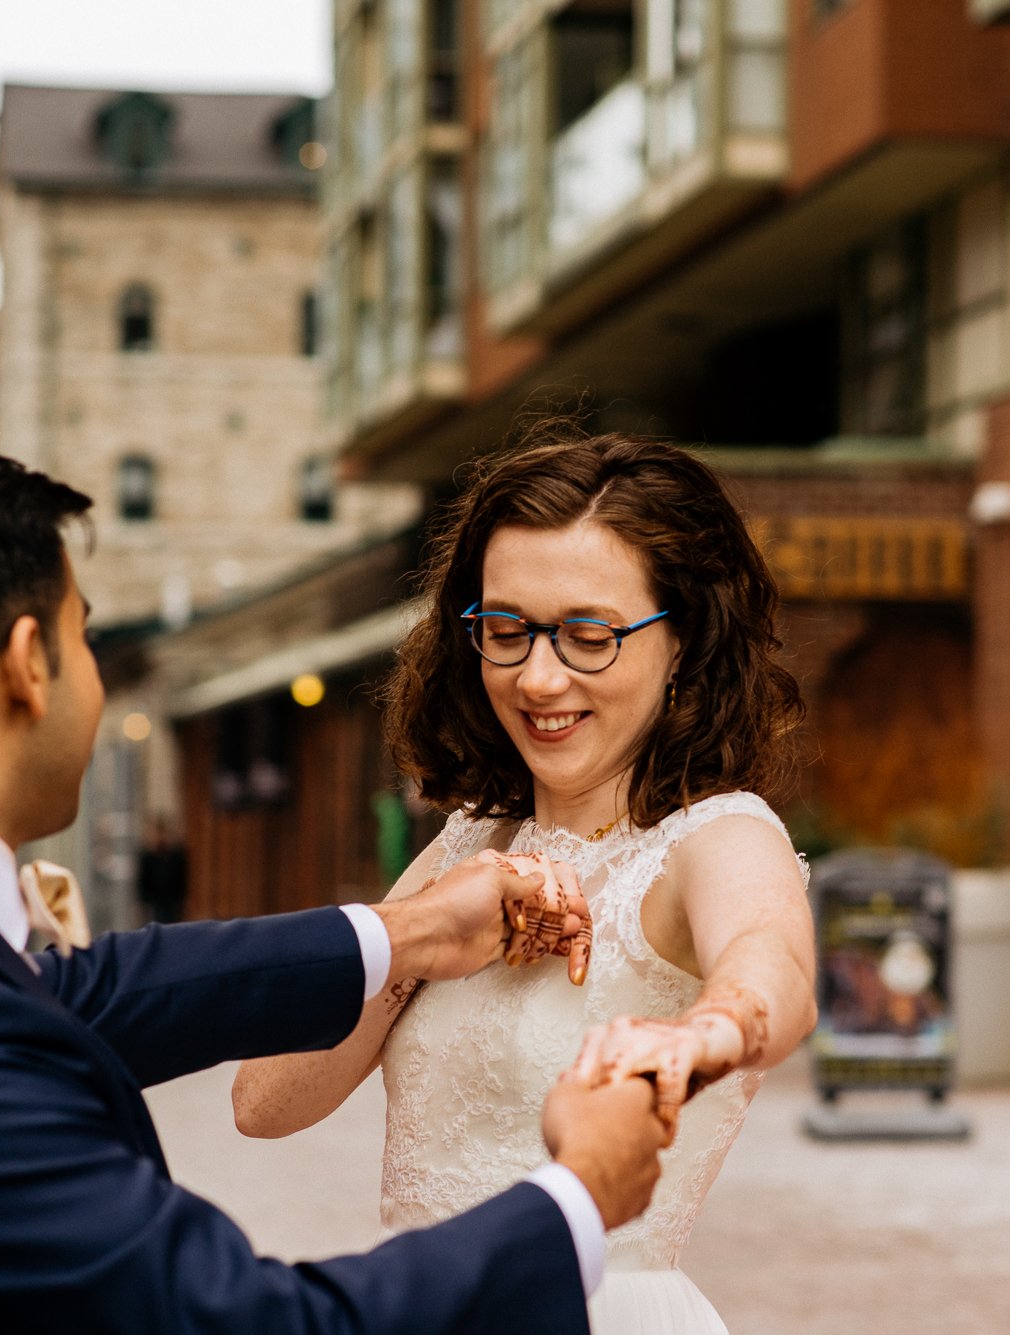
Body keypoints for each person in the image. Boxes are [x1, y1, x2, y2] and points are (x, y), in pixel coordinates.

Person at [0, 449, 671, 1334]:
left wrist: (401, 936)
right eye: (83, 634)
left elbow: (83, 994)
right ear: (28, 666)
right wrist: (576, 1202)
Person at [232, 429, 819, 1333]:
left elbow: (771, 965)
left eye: (588, 635)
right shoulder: (474, 841)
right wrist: (424, 931)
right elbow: (264, 1103)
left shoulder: (717, 834)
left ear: (686, 638)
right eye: (505, 631)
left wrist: (702, 1038)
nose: (537, 677)